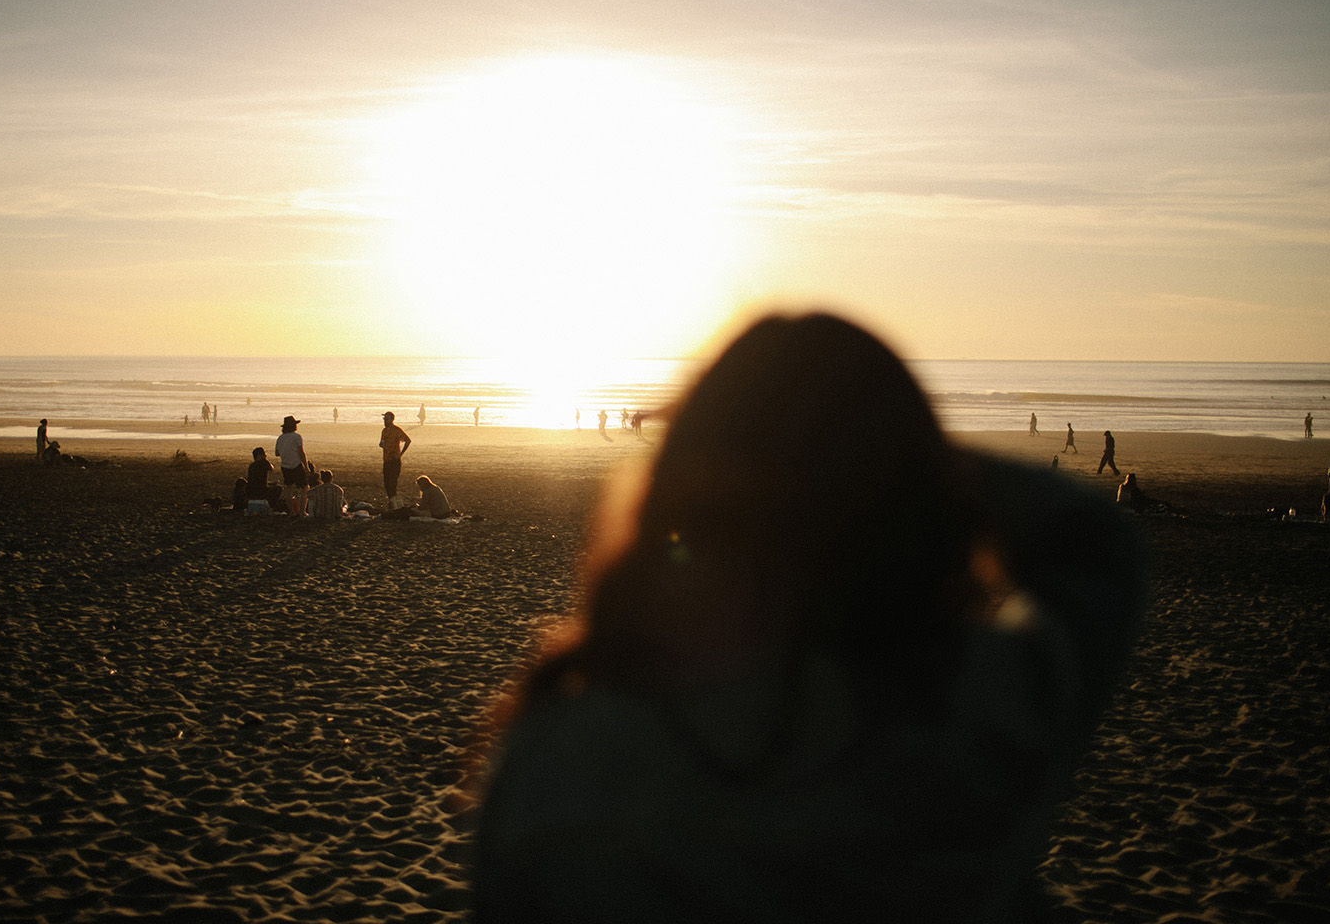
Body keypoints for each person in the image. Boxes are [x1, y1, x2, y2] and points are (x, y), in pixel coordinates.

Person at [472, 313, 1148, 923]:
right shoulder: (977, 711)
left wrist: (741, 436)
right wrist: (888, 453)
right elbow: (1095, 542)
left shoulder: (563, 750)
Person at [275, 416, 311, 517]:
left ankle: (292, 512)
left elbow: (277, 453)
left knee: (288, 488)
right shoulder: (296, 437)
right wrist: (306, 467)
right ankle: (302, 511)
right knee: (304, 488)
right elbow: (301, 452)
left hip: (285, 465)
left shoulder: (280, 438)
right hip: (296, 464)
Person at [380, 411, 412, 507]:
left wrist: (400, 454)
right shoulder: (384, 431)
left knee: (392, 484)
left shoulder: (397, 430)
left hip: (394, 461)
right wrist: (382, 445)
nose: (385, 421)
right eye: (384, 419)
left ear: (392, 420)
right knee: (387, 484)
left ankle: (395, 505)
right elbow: (382, 443)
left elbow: (407, 440)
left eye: (387, 419)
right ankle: (392, 503)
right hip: (386, 460)